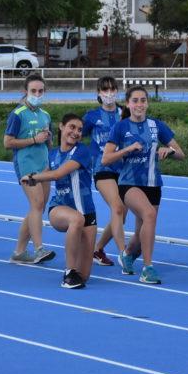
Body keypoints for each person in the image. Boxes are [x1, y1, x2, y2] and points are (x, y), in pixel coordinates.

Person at [102, 86, 185, 285]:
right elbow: (106, 159)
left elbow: (181, 154)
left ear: (147, 103)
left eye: (143, 100)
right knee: (149, 215)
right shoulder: (120, 127)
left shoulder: (158, 126)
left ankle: (128, 255)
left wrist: (170, 151)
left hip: (153, 184)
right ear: (128, 104)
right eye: (135, 100)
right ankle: (148, 268)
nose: (139, 104)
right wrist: (127, 149)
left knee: (140, 236)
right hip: (128, 183)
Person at [23, 114, 98, 289]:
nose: (76, 132)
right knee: (75, 219)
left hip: (87, 213)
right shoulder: (53, 154)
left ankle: (75, 272)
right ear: (61, 127)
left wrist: (34, 177)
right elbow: (47, 173)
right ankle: (68, 272)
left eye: (80, 130)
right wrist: (29, 179)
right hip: (59, 209)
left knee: (84, 275)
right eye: (72, 127)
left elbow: (58, 174)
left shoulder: (82, 151)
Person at [4, 74, 56, 265]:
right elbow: (7, 143)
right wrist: (34, 140)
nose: (37, 94)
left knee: (38, 208)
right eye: (33, 91)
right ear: (25, 91)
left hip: (43, 165)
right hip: (26, 165)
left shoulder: (45, 115)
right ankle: (39, 248)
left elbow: (48, 144)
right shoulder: (18, 114)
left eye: (40, 91)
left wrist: (48, 138)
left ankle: (18, 252)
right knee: (36, 205)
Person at [82, 76, 127, 267]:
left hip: (124, 169)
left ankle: (97, 249)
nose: (109, 94)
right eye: (105, 90)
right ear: (99, 93)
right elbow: (75, 135)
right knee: (117, 208)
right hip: (102, 168)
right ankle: (124, 253)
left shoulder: (125, 112)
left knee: (121, 214)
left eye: (112, 89)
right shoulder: (92, 116)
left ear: (117, 91)